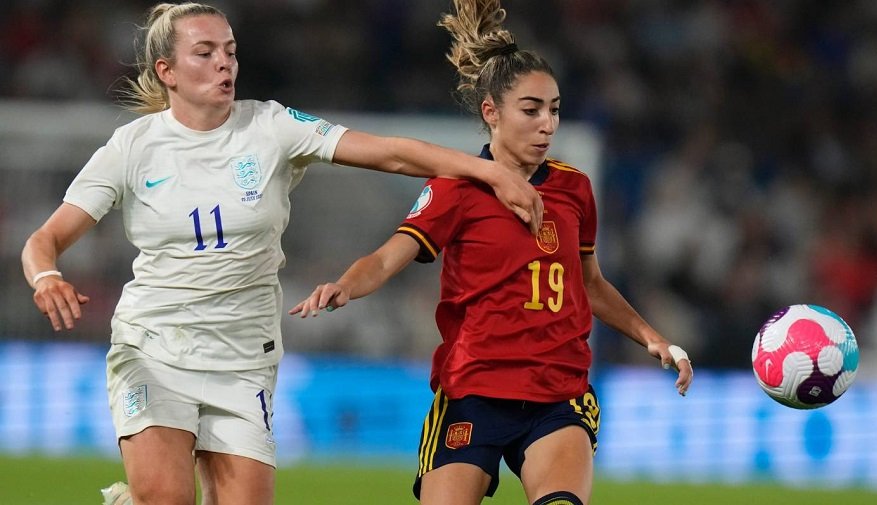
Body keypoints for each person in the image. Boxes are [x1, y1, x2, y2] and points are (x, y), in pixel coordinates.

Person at [20, 3, 545, 505]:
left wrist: (489, 171)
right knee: (168, 496)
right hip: (154, 345)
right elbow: (45, 240)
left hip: (244, 359)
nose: (224, 62)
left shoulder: (270, 127)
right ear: (167, 72)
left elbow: (389, 153)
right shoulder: (132, 147)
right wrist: (46, 276)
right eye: (205, 52)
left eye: (230, 51)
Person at [291, 1, 694, 504]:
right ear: (491, 113)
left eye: (554, 110)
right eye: (531, 110)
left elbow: (590, 283)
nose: (547, 124)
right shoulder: (456, 189)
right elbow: (387, 257)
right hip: (472, 392)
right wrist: (345, 286)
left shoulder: (574, 189)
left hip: (557, 394)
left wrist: (653, 338)